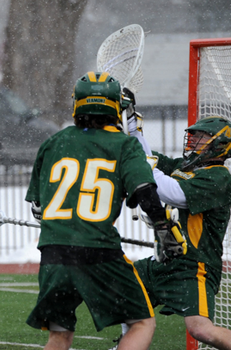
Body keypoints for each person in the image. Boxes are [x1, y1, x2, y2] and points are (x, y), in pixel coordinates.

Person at [25, 71, 186, 350]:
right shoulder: (124, 145)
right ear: (116, 107)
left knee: (60, 334)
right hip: (98, 250)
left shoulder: (53, 143)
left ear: (78, 104)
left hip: (53, 252)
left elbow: (38, 207)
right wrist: (162, 226)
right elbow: (144, 190)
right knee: (141, 322)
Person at [117, 89, 231, 350]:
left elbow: (173, 191)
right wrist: (131, 123)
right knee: (125, 290)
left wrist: (142, 167)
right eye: (192, 137)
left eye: (200, 139)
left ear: (219, 145)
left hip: (195, 266)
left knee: (201, 329)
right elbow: (144, 157)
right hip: (166, 260)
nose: (192, 143)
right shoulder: (184, 167)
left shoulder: (219, 177)